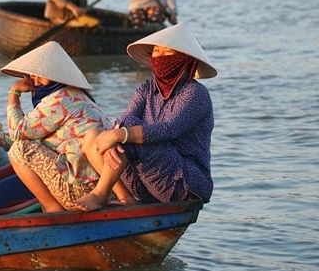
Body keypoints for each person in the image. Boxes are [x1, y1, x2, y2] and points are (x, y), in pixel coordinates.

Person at [71, 23, 216, 212]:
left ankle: (100, 195)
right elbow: (124, 119)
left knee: (123, 131)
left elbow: (169, 129)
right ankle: (126, 197)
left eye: (168, 51)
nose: (161, 56)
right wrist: (114, 137)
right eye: (156, 50)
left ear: (186, 59)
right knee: (93, 136)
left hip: (186, 183)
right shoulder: (146, 89)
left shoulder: (195, 93)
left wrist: (119, 135)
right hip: (146, 184)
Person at [0, 42, 132, 213]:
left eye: (42, 74)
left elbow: (18, 133)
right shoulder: (77, 95)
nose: (34, 79)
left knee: (19, 150)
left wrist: (14, 94)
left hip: (86, 189)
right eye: (32, 74)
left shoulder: (59, 100)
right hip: (104, 187)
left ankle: (52, 208)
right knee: (26, 145)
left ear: (57, 76)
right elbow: (31, 135)